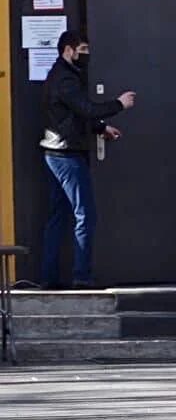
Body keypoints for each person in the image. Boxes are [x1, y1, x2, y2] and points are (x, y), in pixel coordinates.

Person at [38, 30, 135, 289]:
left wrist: (100, 128)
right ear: (68, 51)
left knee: (58, 217)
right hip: (67, 156)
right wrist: (119, 104)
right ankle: (82, 277)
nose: (86, 55)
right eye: (82, 50)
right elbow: (86, 109)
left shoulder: (62, 76)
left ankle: (48, 277)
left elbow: (72, 117)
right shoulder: (66, 80)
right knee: (85, 215)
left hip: (56, 152)